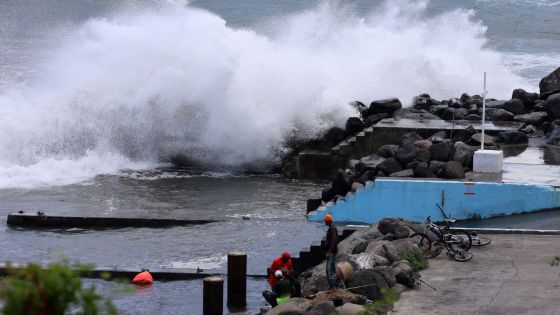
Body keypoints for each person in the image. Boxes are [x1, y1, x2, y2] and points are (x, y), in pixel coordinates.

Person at [324, 213, 338, 289]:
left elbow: (334, 240)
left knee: (329, 269)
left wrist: (329, 251)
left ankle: (332, 286)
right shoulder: (332, 227)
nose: (325, 222)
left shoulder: (332, 229)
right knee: (332, 268)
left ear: (328, 221)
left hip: (332, 252)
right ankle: (335, 284)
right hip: (333, 251)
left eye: (325, 221)